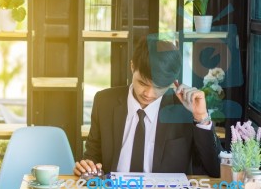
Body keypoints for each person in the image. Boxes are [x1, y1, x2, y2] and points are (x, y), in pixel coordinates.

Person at [74, 37, 222, 178]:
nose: (149, 94)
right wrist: (88, 167)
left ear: (173, 82)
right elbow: (93, 156)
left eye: (159, 87)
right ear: (132, 67)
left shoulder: (184, 109)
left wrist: (201, 117)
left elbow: (216, 170)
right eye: (143, 83)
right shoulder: (105, 101)